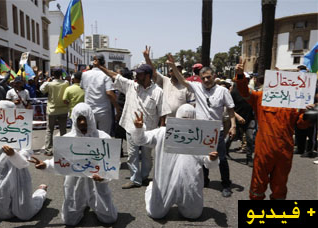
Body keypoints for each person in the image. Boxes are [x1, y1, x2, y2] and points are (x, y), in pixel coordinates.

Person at [234, 59, 313, 200]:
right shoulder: (261, 97)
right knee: (258, 185)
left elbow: (301, 125)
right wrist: (240, 76)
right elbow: (245, 92)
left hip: (285, 150)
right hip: (264, 149)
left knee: (280, 187)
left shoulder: (296, 102)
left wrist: (307, 115)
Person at [29, 103, 117, 226]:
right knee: (69, 221)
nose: (82, 123)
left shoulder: (103, 137)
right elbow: (60, 162)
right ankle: (82, 203)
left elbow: (111, 166)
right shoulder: (67, 139)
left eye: (84, 118)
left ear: (91, 118)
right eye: (79, 119)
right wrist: (45, 165)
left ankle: (93, 202)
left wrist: (103, 177)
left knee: (109, 219)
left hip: (97, 184)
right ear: (74, 119)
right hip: (75, 184)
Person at [131, 104, 218, 219]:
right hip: (165, 183)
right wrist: (139, 129)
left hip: (189, 185)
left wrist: (212, 158)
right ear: (177, 118)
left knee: (193, 215)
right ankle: (152, 189)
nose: (186, 122)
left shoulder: (200, 137)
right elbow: (140, 140)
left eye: (189, 119)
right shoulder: (163, 132)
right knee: (155, 214)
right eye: (183, 119)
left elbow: (208, 163)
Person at [167, 54, 236, 197]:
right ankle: (204, 180)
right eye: (203, 78)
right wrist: (173, 66)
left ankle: (226, 184)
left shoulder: (222, 91)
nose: (205, 80)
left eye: (208, 77)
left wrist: (233, 125)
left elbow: (230, 109)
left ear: (214, 76)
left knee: (222, 158)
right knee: (202, 158)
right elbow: (182, 80)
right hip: (201, 130)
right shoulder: (197, 87)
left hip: (218, 130)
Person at [97, 62, 171, 189]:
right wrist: (100, 67)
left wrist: (162, 128)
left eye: (140, 74)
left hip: (149, 131)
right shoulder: (131, 85)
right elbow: (115, 75)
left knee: (147, 156)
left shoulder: (158, 92)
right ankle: (135, 179)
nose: (137, 75)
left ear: (147, 75)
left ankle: (144, 176)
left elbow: (162, 112)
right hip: (131, 127)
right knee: (132, 155)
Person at [143, 46, 195, 117]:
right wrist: (147, 58)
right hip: (165, 121)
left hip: (181, 122)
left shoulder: (186, 86)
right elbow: (154, 72)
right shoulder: (165, 81)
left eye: (179, 70)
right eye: (175, 70)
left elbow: (191, 106)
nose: (178, 72)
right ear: (170, 72)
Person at [80, 54, 121, 135]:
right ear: (104, 62)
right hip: (104, 111)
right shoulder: (106, 75)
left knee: (91, 135)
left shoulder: (85, 74)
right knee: (104, 136)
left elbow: (82, 87)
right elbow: (109, 93)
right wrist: (117, 108)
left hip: (89, 109)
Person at [39, 69, 70, 156]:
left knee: (49, 130)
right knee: (63, 130)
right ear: (61, 74)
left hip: (52, 110)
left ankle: (48, 149)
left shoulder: (50, 84)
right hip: (63, 110)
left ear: (53, 74)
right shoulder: (65, 83)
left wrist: (46, 81)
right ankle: (64, 149)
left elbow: (41, 90)